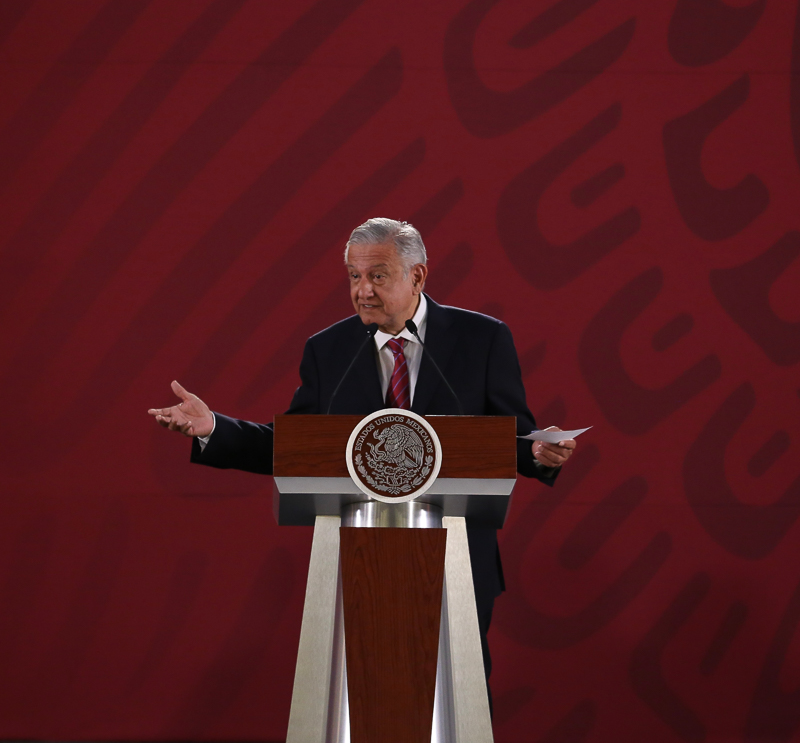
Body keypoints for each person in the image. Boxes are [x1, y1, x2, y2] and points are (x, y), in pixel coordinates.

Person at [149, 217, 576, 686]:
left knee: (457, 694)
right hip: (358, 563)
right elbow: (291, 448)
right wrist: (213, 427)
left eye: (377, 275)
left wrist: (537, 452)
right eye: (354, 276)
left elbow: (509, 439)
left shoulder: (482, 339)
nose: (362, 291)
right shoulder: (328, 349)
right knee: (366, 695)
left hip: (458, 557)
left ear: (417, 275)